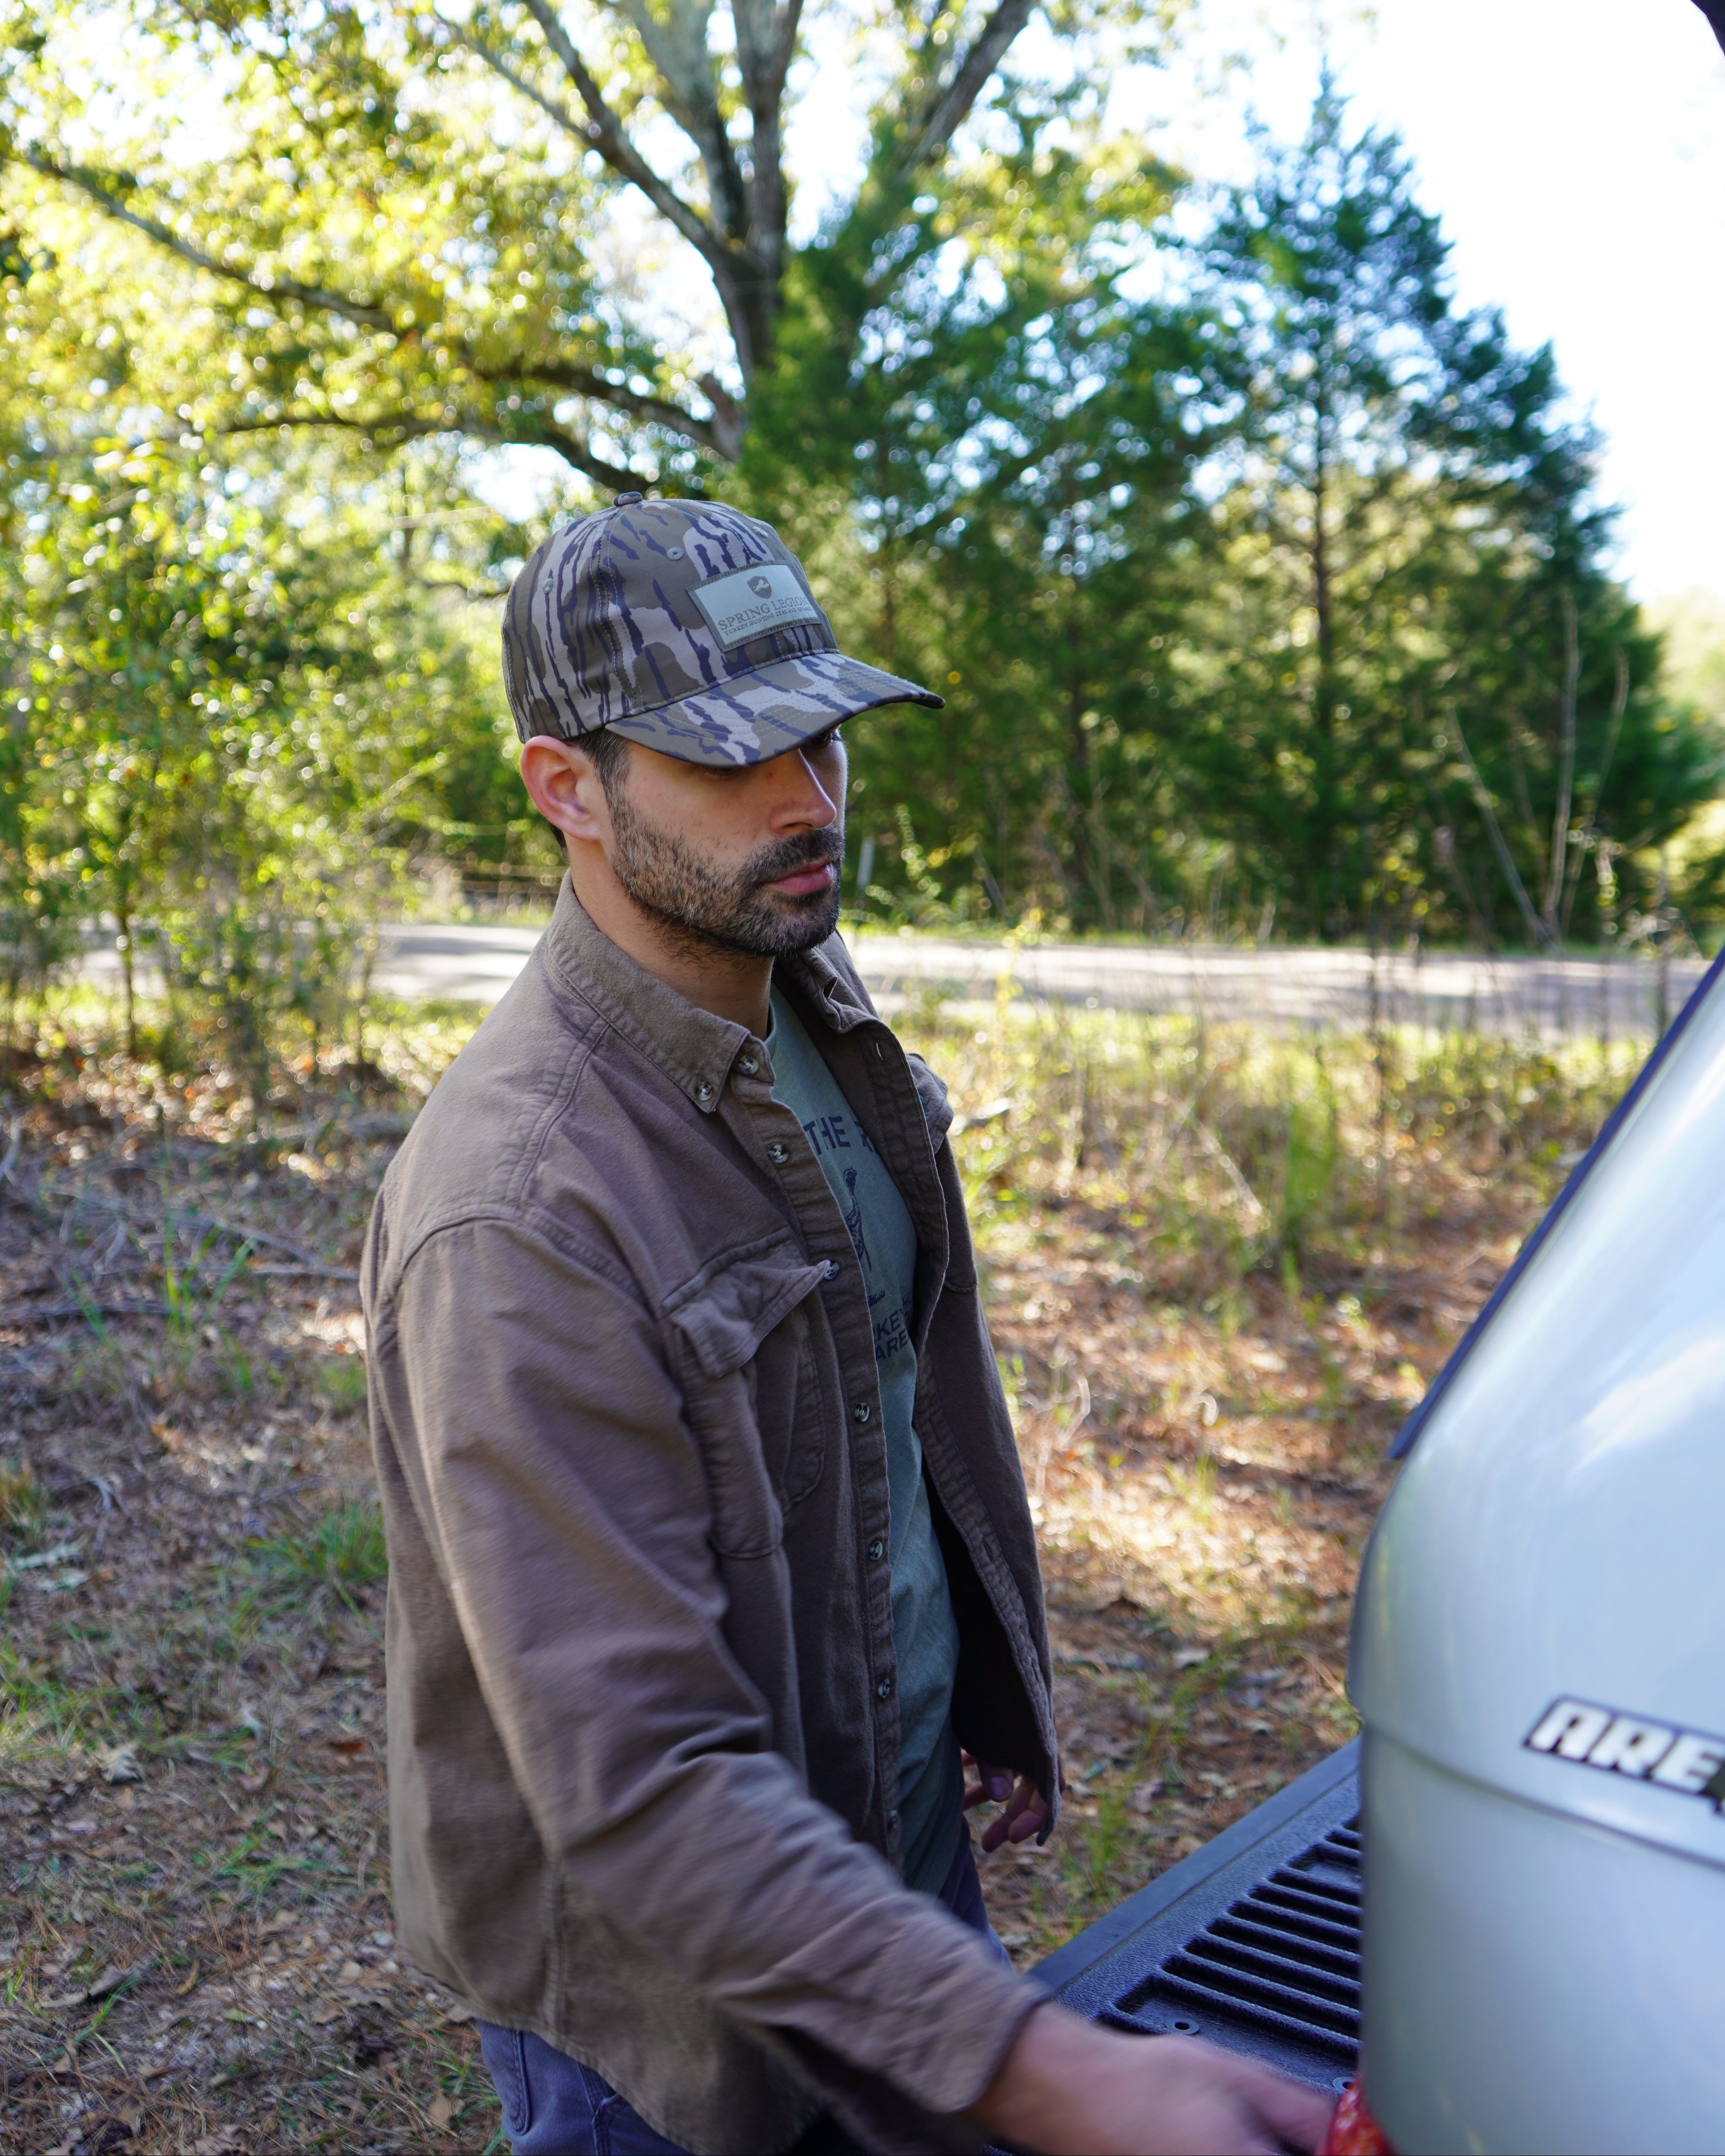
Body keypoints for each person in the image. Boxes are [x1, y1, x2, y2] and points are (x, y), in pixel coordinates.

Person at [361, 492, 1332, 2156]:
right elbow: (642, 1782)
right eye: (734, 754)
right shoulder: (518, 1214)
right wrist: (1058, 2072)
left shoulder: (797, 985)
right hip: (674, 2016)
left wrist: (977, 1672)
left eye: (824, 732)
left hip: (892, 1866)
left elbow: (886, 1387)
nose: (812, 797)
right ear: (565, 788)